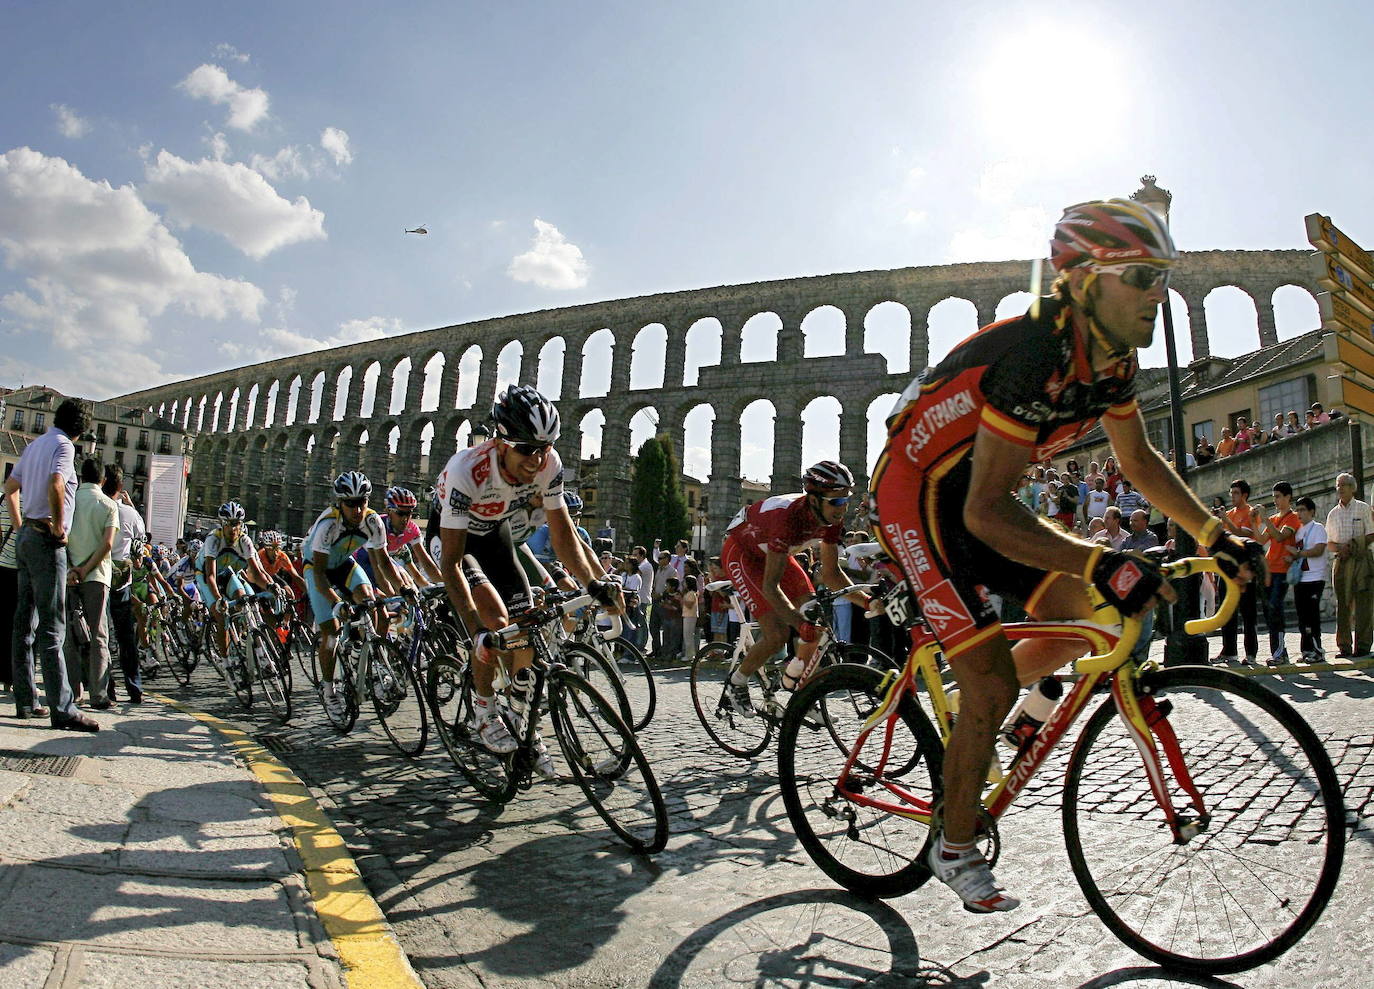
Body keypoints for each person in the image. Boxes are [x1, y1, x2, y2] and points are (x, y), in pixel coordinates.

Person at [871, 199, 1259, 913]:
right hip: (918, 493)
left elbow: (1137, 458)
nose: (1157, 295)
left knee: (1094, 615)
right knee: (993, 673)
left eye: (1163, 278)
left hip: (980, 493)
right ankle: (953, 845)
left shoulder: (1111, 358)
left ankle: (984, 714)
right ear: (1081, 282)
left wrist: (1213, 534)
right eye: (1141, 277)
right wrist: (1096, 557)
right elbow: (982, 509)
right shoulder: (1030, 355)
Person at [436, 386, 621, 776]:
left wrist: (594, 583)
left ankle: (522, 719)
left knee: (525, 632)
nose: (536, 459)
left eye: (545, 447)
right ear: (500, 440)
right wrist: (475, 630)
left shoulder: (548, 463)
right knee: (494, 621)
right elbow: (451, 563)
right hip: (455, 538)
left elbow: (563, 536)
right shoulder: (467, 469)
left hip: (495, 534)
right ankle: (484, 709)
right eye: (526, 448)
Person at [719, 460, 872, 714]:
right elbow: (771, 587)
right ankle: (736, 683)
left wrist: (868, 601)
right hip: (742, 554)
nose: (842, 507)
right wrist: (797, 624)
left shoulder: (830, 517)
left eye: (846, 499)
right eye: (836, 501)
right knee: (778, 634)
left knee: (816, 621)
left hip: (776, 553)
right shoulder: (786, 518)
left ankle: (800, 691)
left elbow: (832, 574)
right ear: (814, 498)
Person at [3, 398, 99, 731]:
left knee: (23, 624)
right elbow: (57, 483)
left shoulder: (34, 446)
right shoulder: (63, 447)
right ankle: (63, 708)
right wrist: (58, 527)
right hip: (46, 539)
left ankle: (26, 701)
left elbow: (10, 488)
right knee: (52, 626)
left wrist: (20, 527)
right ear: (81, 428)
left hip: (27, 536)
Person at [303, 472, 406, 724]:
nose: (358, 508)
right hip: (318, 570)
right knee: (331, 633)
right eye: (351, 503)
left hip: (344, 565)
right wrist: (336, 602)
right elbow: (319, 573)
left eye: (363, 501)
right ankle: (329, 691)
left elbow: (384, 562)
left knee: (369, 600)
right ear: (340, 503)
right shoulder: (328, 525)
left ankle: (365, 656)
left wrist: (404, 588)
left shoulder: (372, 522)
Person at [62, 458, 117, 709]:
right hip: (96, 576)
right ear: (103, 480)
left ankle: (74, 691)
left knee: (69, 635)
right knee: (98, 635)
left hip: (69, 575)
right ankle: (98, 694)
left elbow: (60, 535)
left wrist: (74, 568)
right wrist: (86, 569)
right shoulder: (108, 505)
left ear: (81, 477)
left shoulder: (69, 501)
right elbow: (107, 544)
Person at [197, 501, 273, 660]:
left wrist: (271, 587)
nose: (232, 529)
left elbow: (256, 573)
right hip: (205, 575)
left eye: (236, 524)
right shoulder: (213, 539)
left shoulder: (245, 541)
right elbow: (210, 575)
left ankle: (259, 651)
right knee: (221, 615)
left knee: (244, 599)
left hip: (226, 573)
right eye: (228, 524)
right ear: (221, 524)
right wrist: (218, 600)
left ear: (241, 524)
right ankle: (226, 663)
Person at [103, 465, 146, 703]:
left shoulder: (98, 507)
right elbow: (141, 534)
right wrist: (130, 506)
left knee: (103, 636)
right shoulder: (129, 514)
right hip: (122, 581)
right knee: (126, 637)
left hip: (98, 577)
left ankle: (107, 687)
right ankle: (134, 686)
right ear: (120, 488)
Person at [1325, 472, 1373, 658]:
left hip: (1361, 560)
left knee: (1364, 603)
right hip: (1342, 561)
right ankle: (1344, 645)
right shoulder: (1333, 514)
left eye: (1344, 484)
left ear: (1352, 488)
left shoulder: (1362, 509)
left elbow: (1371, 533)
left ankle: (1363, 645)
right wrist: (1340, 548)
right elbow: (1329, 543)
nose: (1341, 488)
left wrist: (1354, 544)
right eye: (1338, 485)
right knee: (1343, 604)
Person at [1214, 479, 1261, 664]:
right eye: (1231, 493)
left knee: (1248, 613)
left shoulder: (1250, 513)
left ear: (1244, 495)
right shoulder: (1229, 513)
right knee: (1227, 610)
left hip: (1246, 568)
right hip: (1227, 568)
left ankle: (1250, 653)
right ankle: (1229, 651)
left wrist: (1226, 521)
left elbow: (1243, 536)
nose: (1232, 497)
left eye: (1236, 493)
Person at [1256, 482, 1300, 666]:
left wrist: (1265, 519)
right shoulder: (1273, 518)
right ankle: (1278, 651)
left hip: (1283, 570)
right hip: (1269, 569)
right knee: (1268, 610)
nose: (1275, 500)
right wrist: (1254, 520)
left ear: (1288, 497)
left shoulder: (1293, 517)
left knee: (1275, 606)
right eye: (1274, 497)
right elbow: (1261, 539)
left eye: (1278, 497)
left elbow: (1281, 536)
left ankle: (1280, 652)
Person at [1290, 497, 1328, 661]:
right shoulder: (1298, 531)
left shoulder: (1318, 528)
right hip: (1301, 579)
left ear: (1311, 511)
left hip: (1315, 577)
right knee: (1302, 616)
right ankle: (1306, 650)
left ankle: (1317, 650)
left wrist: (1299, 554)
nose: (1299, 513)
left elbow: (1319, 550)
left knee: (1312, 616)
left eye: (1303, 510)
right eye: (1297, 510)